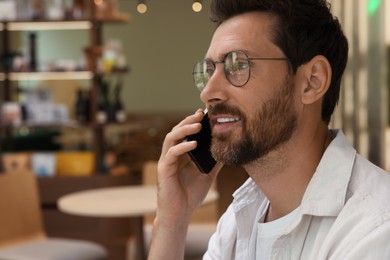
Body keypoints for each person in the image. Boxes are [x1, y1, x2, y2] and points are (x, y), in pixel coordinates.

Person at [148, 0, 390, 259]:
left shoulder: (374, 230)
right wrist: (171, 221)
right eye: (209, 71)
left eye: (237, 65)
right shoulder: (241, 215)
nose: (208, 93)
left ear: (312, 82)